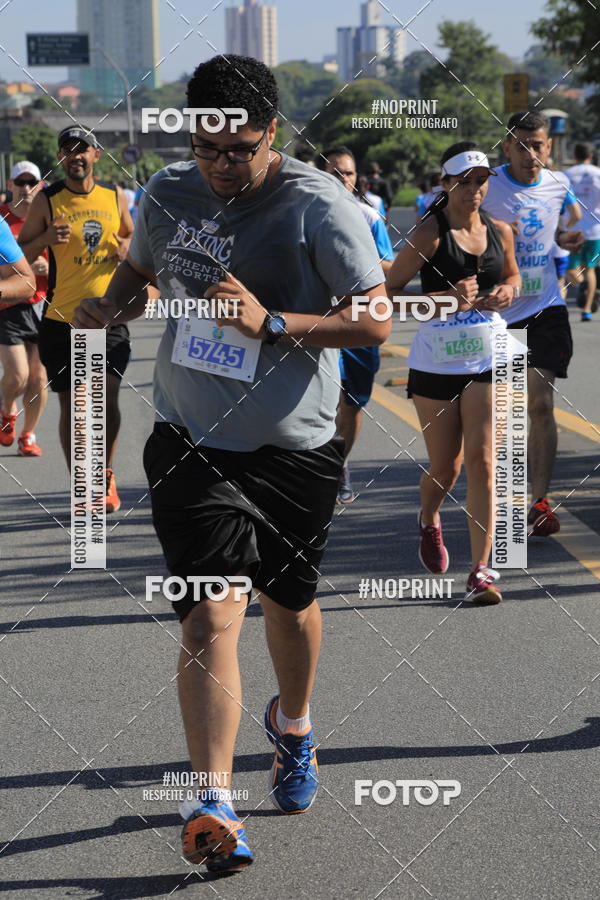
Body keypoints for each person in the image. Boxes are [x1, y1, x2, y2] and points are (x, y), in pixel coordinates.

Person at [72, 54, 389, 872]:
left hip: (294, 446)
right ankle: (211, 801)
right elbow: (141, 274)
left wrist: (272, 321)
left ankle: (294, 725)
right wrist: (110, 304)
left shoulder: (320, 203)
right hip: (190, 438)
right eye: (208, 148)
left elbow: (375, 321)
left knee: (288, 605)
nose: (221, 165)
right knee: (212, 612)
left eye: (240, 149)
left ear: (271, 134)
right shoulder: (169, 192)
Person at [386, 142, 521, 603]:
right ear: (445, 185)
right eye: (464, 182)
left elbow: (514, 277)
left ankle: (481, 570)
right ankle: (428, 516)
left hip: (491, 355)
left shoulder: (500, 230)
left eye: (481, 180)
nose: (475, 190)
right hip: (436, 361)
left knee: (484, 463)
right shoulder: (428, 233)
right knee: (448, 467)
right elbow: (386, 296)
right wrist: (444, 301)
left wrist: (506, 290)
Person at [18, 127, 134, 511]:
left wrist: (124, 248)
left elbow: (131, 238)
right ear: (61, 157)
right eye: (68, 151)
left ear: (96, 155)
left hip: (108, 317)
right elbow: (20, 251)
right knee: (75, 407)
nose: (76, 157)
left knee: (108, 401)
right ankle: (82, 485)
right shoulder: (48, 200)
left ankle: (105, 474)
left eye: (82, 150)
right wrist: (46, 237)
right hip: (61, 320)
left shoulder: (113, 196)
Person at [482, 111, 583, 537]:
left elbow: (572, 220)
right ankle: (501, 496)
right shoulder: (486, 183)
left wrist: (565, 238)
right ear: (507, 146)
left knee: (539, 401)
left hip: (546, 308)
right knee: (504, 413)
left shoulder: (558, 184)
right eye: (521, 145)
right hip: (497, 315)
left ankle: (539, 503)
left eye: (537, 145)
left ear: (549, 146)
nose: (530, 154)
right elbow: (449, 225)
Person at [321, 145, 394, 503]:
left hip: (361, 324)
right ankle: (322, 470)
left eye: (347, 173)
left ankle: (340, 462)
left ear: (356, 178)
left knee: (352, 406)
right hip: (320, 323)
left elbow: (388, 266)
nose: (341, 179)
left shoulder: (370, 215)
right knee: (324, 400)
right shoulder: (304, 212)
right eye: (334, 172)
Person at [0, 161, 49, 455]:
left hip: (44, 302)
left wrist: (48, 266)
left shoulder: (48, 216)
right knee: (18, 374)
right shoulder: (3, 220)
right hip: (11, 306)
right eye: (21, 183)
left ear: (40, 186)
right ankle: (7, 409)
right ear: (10, 185)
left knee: (39, 376)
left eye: (32, 183)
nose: (27, 189)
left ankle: (28, 435)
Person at [565, 142, 600, 321]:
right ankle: (586, 307)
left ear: (575, 156)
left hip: (573, 231)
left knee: (570, 269)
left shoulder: (567, 175)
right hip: (595, 230)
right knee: (590, 270)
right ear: (591, 155)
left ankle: (582, 288)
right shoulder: (598, 173)